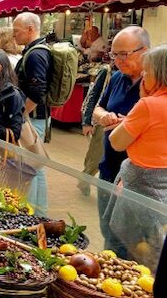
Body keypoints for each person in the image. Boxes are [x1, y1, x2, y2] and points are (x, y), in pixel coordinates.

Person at [105, 44, 167, 264]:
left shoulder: (149, 105)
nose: (143, 76)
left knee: (125, 252)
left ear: (159, 74)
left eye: (147, 71)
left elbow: (116, 142)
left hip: (140, 187)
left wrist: (142, 99)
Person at [92, 26, 149, 256]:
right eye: (114, 54)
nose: (118, 60)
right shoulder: (117, 77)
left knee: (131, 243)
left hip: (136, 177)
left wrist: (129, 124)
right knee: (108, 233)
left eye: (124, 54)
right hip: (109, 167)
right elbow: (97, 108)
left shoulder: (156, 85)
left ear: (145, 51)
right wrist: (103, 116)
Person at [13, 12, 52, 216]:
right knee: (36, 167)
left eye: (16, 31)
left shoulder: (36, 54)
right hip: (34, 117)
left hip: (33, 118)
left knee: (32, 167)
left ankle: (34, 213)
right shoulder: (34, 51)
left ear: (30, 29)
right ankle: (39, 212)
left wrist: (21, 116)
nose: (14, 35)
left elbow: (37, 92)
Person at [78, 63, 114, 196]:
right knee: (96, 156)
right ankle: (84, 180)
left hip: (119, 123)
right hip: (101, 122)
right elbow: (93, 95)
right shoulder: (107, 71)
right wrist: (86, 121)